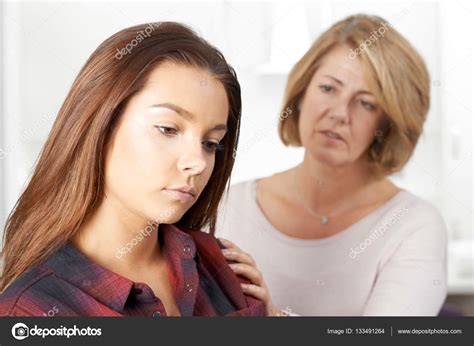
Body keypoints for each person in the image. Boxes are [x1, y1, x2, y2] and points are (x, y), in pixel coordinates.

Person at [0, 22, 276, 317]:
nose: (197, 162)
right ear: (100, 125)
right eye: (168, 129)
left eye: (211, 143)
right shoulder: (30, 312)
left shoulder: (223, 267)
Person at [216, 14, 447, 316]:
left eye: (365, 102)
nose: (339, 113)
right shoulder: (227, 206)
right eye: (328, 88)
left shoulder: (414, 226)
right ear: (301, 93)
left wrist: (274, 318)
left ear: (388, 123)